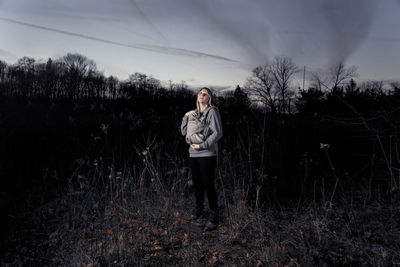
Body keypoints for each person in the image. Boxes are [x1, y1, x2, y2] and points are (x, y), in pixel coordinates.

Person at [181, 87, 223, 231]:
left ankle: (214, 216)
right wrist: (186, 116)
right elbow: (183, 131)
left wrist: (203, 145)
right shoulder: (193, 113)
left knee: (208, 185)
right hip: (193, 154)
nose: (202, 95)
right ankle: (198, 211)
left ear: (209, 98)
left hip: (207, 154)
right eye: (200, 93)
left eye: (205, 94)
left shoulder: (212, 111)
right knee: (197, 184)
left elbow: (218, 133)